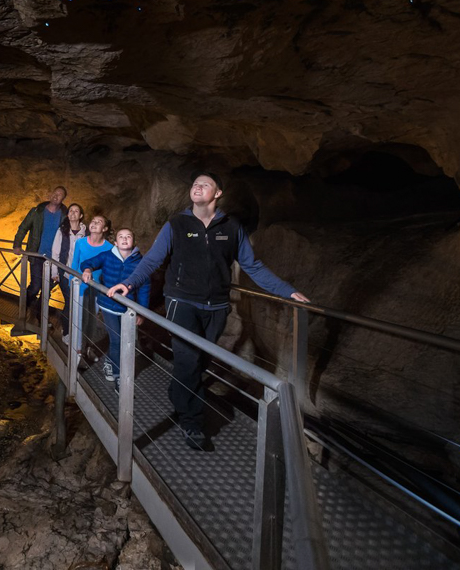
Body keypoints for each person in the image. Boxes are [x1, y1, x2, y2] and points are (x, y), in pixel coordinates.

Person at [107, 172, 309, 451]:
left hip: (216, 306)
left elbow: (253, 266)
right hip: (181, 302)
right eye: (194, 184)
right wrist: (129, 283)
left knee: (198, 361)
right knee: (189, 360)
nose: (197, 187)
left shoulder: (232, 227)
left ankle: (179, 391)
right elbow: (153, 259)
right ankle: (191, 422)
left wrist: (287, 291)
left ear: (217, 194)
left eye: (205, 184)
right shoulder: (176, 224)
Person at [81, 228, 151, 385]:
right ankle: (118, 373)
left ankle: (109, 362)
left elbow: (144, 289)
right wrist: (87, 269)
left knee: (127, 341)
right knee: (117, 339)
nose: (125, 239)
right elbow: (89, 262)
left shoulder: (140, 262)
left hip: (129, 309)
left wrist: (142, 313)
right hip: (109, 306)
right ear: (115, 242)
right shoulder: (107, 256)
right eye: (121, 236)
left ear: (134, 241)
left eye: (128, 236)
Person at [12, 186, 67, 316]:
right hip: (36, 254)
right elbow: (23, 227)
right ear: (50, 194)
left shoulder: (64, 217)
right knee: (36, 286)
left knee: (47, 289)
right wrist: (17, 244)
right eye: (55, 192)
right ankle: (23, 307)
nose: (56, 196)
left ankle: (39, 315)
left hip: (53, 259)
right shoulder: (37, 212)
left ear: (63, 199)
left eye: (59, 195)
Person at [66, 214, 112, 350]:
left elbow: (108, 271)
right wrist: (71, 283)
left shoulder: (109, 248)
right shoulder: (80, 242)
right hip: (79, 287)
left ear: (105, 228)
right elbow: (74, 264)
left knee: (91, 321)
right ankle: (78, 349)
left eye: (99, 222)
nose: (94, 223)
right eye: (93, 220)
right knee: (79, 320)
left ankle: (88, 348)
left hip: (97, 289)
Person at [50, 203, 87, 336]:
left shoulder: (86, 233)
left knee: (77, 303)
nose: (73, 213)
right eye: (71, 211)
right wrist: (54, 272)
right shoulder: (62, 231)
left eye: (76, 211)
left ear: (81, 216)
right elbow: (55, 252)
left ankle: (74, 331)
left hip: (81, 274)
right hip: (64, 273)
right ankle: (66, 332)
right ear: (67, 214)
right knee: (70, 301)